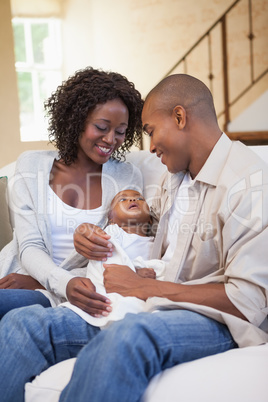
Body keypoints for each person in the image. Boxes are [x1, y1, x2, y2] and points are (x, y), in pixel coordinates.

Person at [0, 74, 268, 402]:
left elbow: (249, 302)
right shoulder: (175, 180)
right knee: (22, 324)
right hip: (148, 305)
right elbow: (132, 231)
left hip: (211, 318)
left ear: (180, 117)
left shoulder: (250, 183)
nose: (150, 147)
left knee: (125, 338)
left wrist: (143, 286)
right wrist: (90, 236)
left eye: (151, 131)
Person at [0, 67, 144, 318]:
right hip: (16, 279)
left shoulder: (126, 178)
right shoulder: (31, 165)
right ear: (75, 120)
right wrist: (57, 281)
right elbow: (30, 244)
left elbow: (124, 253)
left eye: (120, 132)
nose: (111, 139)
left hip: (70, 292)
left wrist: (51, 283)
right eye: (101, 127)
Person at [62, 189, 165, 328]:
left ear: (150, 218)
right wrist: (134, 272)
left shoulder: (157, 243)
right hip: (111, 292)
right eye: (123, 199)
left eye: (140, 198)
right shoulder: (112, 233)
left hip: (142, 298)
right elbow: (104, 261)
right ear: (111, 219)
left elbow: (162, 269)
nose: (133, 200)